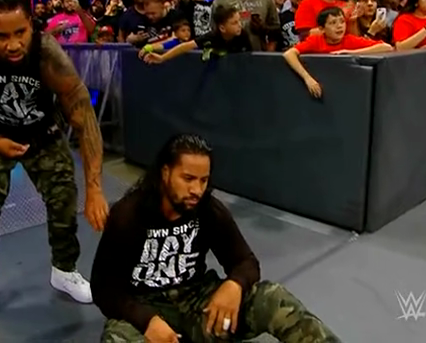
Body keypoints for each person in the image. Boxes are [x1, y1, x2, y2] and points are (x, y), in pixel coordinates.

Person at [0, 0, 110, 335]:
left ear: (32, 26)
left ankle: (64, 270)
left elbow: (83, 116)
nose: (13, 44)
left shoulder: (48, 55)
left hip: (42, 134)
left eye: (20, 32)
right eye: (2, 36)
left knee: (64, 199)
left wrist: (95, 188)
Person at [91, 133, 342, 343]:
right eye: (188, 179)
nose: (197, 190)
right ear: (165, 173)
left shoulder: (209, 211)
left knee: (272, 297)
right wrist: (146, 320)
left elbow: (245, 261)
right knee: (116, 339)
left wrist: (234, 285)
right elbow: (104, 289)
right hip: (146, 304)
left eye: (204, 180)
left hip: (198, 303)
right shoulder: (128, 215)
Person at [283, 7, 393, 98]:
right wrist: (307, 79)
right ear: (322, 29)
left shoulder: (350, 40)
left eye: (342, 22)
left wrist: (351, 52)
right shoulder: (315, 41)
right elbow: (289, 54)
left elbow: (387, 47)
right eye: (333, 23)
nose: (339, 26)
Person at [142, 5, 251, 64]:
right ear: (222, 28)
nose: (240, 25)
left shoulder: (243, 36)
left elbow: (250, 57)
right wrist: (162, 58)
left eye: (239, 21)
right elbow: (186, 46)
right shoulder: (212, 36)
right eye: (234, 23)